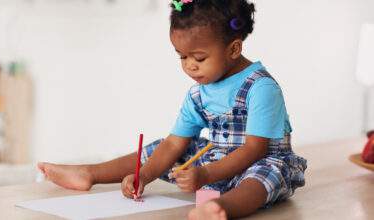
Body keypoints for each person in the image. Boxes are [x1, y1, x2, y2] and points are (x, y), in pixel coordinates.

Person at [38, 0, 307, 219]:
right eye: (182, 56)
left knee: (262, 177)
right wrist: (143, 176)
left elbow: (253, 150)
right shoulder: (198, 92)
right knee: (160, 148)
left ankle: (221, 209)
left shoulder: (261, 87)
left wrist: (205, 175)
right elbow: (174, 143)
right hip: (216, 164)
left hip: (258, 162)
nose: (190, 66)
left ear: (234, 48)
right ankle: (89, 173)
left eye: (199, 58)